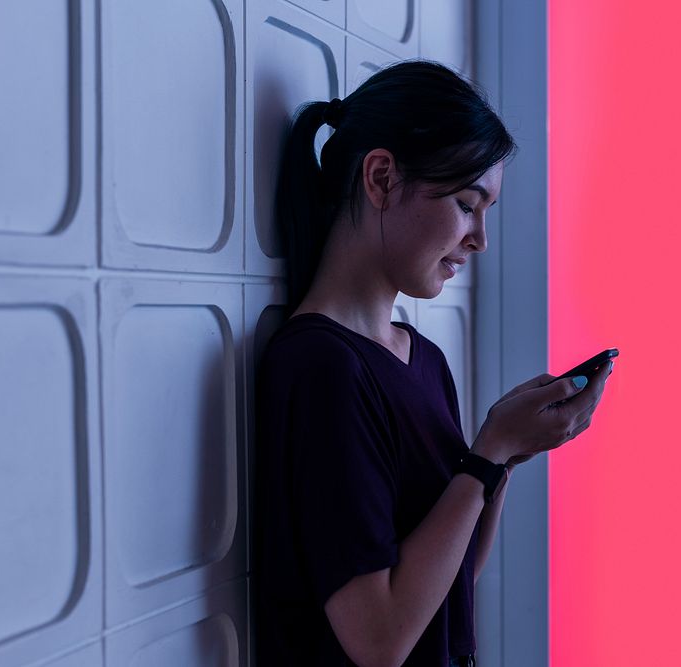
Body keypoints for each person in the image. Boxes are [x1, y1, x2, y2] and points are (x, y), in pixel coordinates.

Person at [253, 60, 615, 666]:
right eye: (468, 204)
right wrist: (488, 455)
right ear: (382, 179)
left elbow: (454, 579)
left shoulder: (425, 360)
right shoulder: (321, 368)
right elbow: (379, 640)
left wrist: (503, 458)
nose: (479, 238)